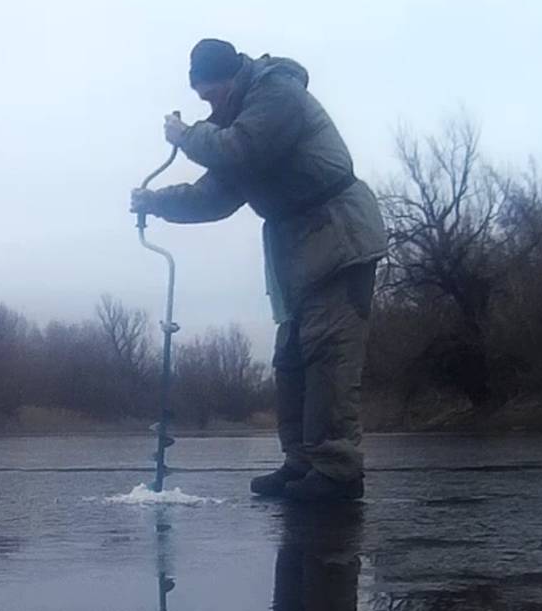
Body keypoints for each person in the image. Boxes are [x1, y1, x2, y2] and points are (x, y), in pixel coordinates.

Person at [131, 39, 386, 502]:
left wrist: (186, 136)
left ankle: (337, 471)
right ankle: (301, 462)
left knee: (328, 351)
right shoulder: (237, 127)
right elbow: (214, 197)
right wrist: (156, 201)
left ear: (231, 79)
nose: (209, 105)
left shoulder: (276, 93)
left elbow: (240, 149)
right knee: (291, 358)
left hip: (339, 235)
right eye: (202, 98)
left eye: (211, 94)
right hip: (296, 252)